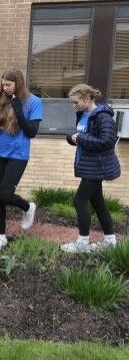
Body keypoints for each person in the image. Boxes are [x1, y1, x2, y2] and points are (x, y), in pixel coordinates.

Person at [0, 69, 42, 251]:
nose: (5, 88)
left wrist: (17, 108)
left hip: (18, 154)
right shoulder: (2, 100)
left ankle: (27, 207)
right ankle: (1, 236)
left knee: (5, 193)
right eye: (3, 85)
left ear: (19, 83)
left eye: (8, 85)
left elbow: (31, 132)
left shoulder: (34, 102)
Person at [61, 84, 121, 253]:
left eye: (76, 102)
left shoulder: (102, 116)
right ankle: (110, 241)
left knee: (79, 201)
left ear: (87, 99)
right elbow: (79, 135)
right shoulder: (84, 114)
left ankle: (82, 242)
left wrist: (81, 138)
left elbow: (107, 141)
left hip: (97, 167)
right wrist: (71, 138)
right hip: (89, 166)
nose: (74, 106)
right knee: (98, 202)